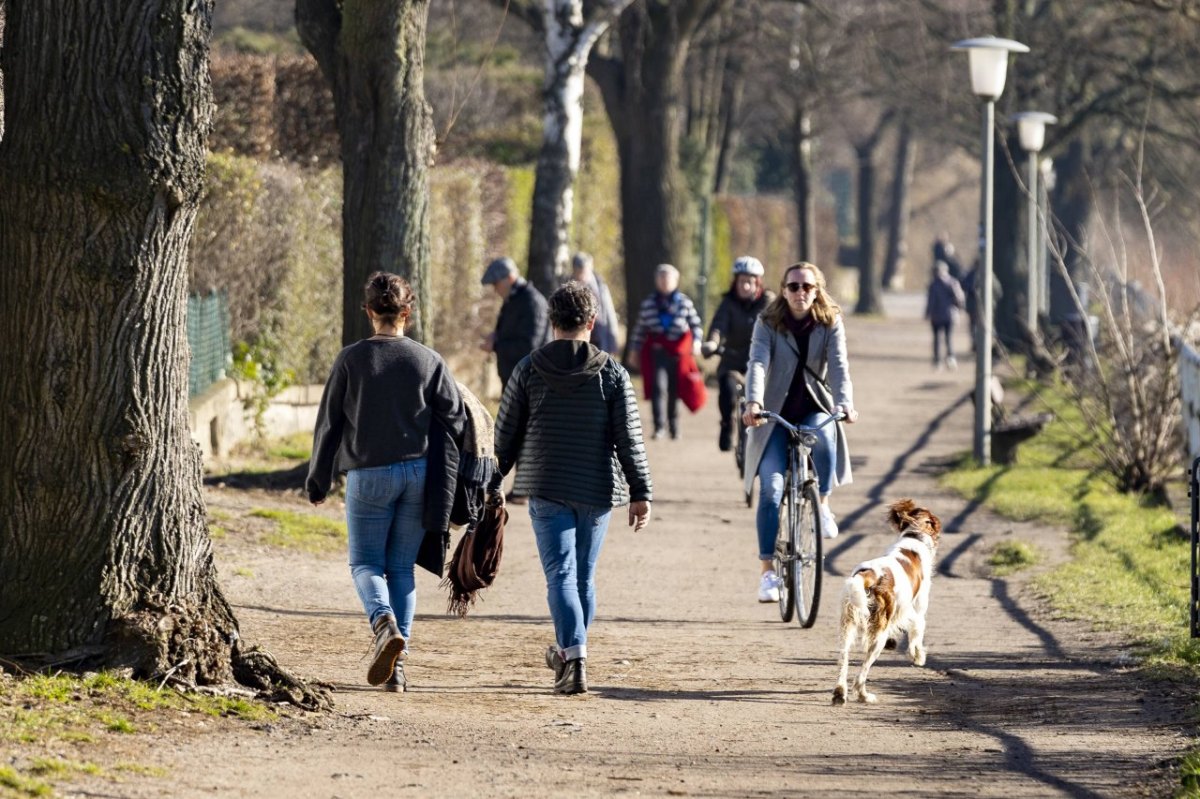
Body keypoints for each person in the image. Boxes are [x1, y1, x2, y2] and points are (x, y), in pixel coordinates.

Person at [307, 272, 466, 691]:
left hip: (368, 475)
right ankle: (398, 668)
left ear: (369, 312)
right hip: (418, 474)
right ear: (407, 313)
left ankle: (382, 623)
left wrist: (318, 480)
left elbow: (329, 424)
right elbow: (456, 420)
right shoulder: (429, 361)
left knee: (364, 564)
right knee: (400, 569)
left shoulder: (351, 360)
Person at [492, 281, 653, 695]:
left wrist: (491, 482)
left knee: (561, 575)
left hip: (545, 485)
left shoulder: (528, 368)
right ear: (592, 322)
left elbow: (505, 435)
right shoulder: (612, 372)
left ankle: (573, 656)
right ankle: (571, 652)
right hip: (597, 487)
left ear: (552, 321)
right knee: (583, 578)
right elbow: (628, 438)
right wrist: (640, 492)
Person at [741, 262, 858, 604]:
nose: (800, 293)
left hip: (813, 406)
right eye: (793, 286)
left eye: (807, 286)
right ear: (783, 289)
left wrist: (845, 404)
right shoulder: (768, 322)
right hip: (772, 415)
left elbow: (838, 366)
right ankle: (767, 573)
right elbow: (758, 363)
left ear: (818, 289)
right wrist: (753, 402)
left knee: (822, 432)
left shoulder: (830, 322)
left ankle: (821, 502)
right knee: (771, 490)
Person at [702, 255, 774, 452]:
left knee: (769, 392)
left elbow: (777, 326)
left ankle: (770, 434)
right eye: (742, 281)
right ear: (736, 282)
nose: (745, 286)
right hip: (733, 359)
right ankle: (727, 425)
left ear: (758, 283)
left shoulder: (768, 302)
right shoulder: (728, 303)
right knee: (727, 388)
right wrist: (712, 342)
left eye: (750, 282)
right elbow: (718, 326)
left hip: (761, 360)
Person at [628, 264, 704, 440]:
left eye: (667, 278)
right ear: (656, 281)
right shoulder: (649, 304)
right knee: (658, 387)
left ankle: (674, 425)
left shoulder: (684, 302)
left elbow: (695, 325)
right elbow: (640, 330)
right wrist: (634, 350)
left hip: (678, 353)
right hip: (658, 352)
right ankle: (659, 426)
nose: (664, 281)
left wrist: (697, 342)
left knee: (674, 389)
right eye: (661, 277)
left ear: (675, 281)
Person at [480, 256, 550, 389]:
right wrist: (495, 337)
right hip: (515, 382)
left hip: (530, 385)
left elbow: (529, 347)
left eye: (496, 283)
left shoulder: (531, 303)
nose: (495, 289)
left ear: (510, 278)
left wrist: (495, 345)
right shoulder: (512, 301)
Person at [570, 252, 621, 355]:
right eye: (578, 271)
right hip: (577, 337)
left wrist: (613, 339)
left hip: (599, 335)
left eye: (583, 271)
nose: (581, 276)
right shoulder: (569, 286)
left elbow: (609, 313)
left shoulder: (599, 285)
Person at [925, 260, 966, 370]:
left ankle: (937, 361)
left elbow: (931, 301)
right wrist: (958, 308)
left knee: (937, 339)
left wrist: (928, 313)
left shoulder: (933, 285)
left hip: (937, 316)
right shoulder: (953, 282)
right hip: (950, 315)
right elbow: (959, 298)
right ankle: (951, 359)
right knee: (948, 338)